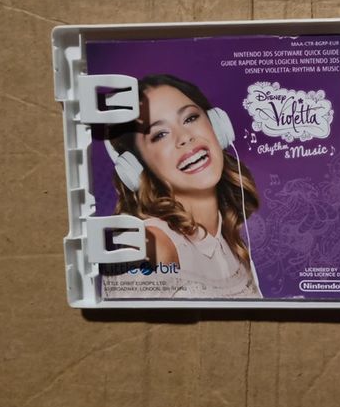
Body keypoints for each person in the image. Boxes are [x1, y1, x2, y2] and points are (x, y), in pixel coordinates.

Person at [106, 74, 262, 298]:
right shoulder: (151, 247)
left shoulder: (227, 240)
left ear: (217, 126)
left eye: (190, 118)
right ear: (137, 166)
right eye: (160, 134)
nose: (184, 137)